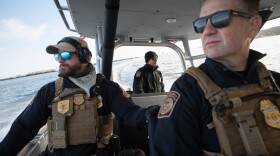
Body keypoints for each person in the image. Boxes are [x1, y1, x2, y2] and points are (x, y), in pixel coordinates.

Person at [151, 0, 280, 155]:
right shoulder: (187, 92)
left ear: (252, 26)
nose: (207, 30)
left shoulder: (275, 83)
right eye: (201, 24)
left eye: (220, 18)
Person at [0, 36, 151, 156]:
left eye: (65, 54)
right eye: (57, 56)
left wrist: (154, 112)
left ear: (84, 57)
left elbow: (130, 115)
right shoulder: (49, 91)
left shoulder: (107, 88)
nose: (59, 59)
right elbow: (24, 127)